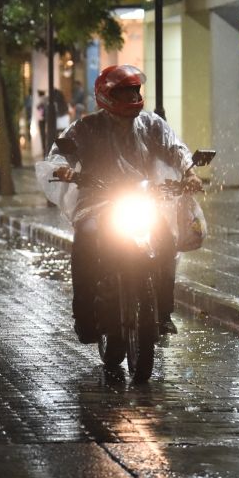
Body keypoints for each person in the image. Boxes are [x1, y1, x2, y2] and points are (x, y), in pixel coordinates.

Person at [40, 64, 200, 342]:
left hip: (141, 199)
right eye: (123, 93)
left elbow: (175, 148)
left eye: (133, 92)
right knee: (85, 241)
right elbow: (61, 152)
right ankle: (85, 317)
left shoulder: (151, 125)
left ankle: (163, 313)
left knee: (164, 240)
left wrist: (190, 172)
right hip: (96, 202)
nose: (130, 98)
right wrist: (62, 169)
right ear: (107, 95)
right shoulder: (86, 127)